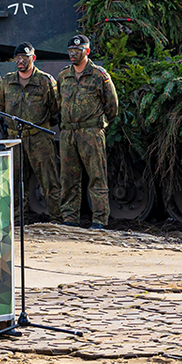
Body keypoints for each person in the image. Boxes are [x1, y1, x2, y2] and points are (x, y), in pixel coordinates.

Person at [57, 35, 118, 230]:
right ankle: (70, 218)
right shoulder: (63, 75)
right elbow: (59, 102)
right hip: (68, 134)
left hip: (91, 132)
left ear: (87, 51)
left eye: (78, 51)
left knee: (97, 176)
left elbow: (112, 105)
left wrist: (98, 124)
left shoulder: (99, 75)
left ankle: (99, 219)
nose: (73, 54)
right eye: (71, 51)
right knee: (68, 178)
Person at [0, 42, 62, 224]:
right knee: (15, 181)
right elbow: (1, 107)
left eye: (24, 58)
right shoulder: (7, 81)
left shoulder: (45, 81)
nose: (20, 61)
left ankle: (56, 219)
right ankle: (17, 220)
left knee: (49, 180)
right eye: (17, 58)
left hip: (39, 137)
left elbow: (55, 109)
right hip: (15, 138)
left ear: (33, 58)